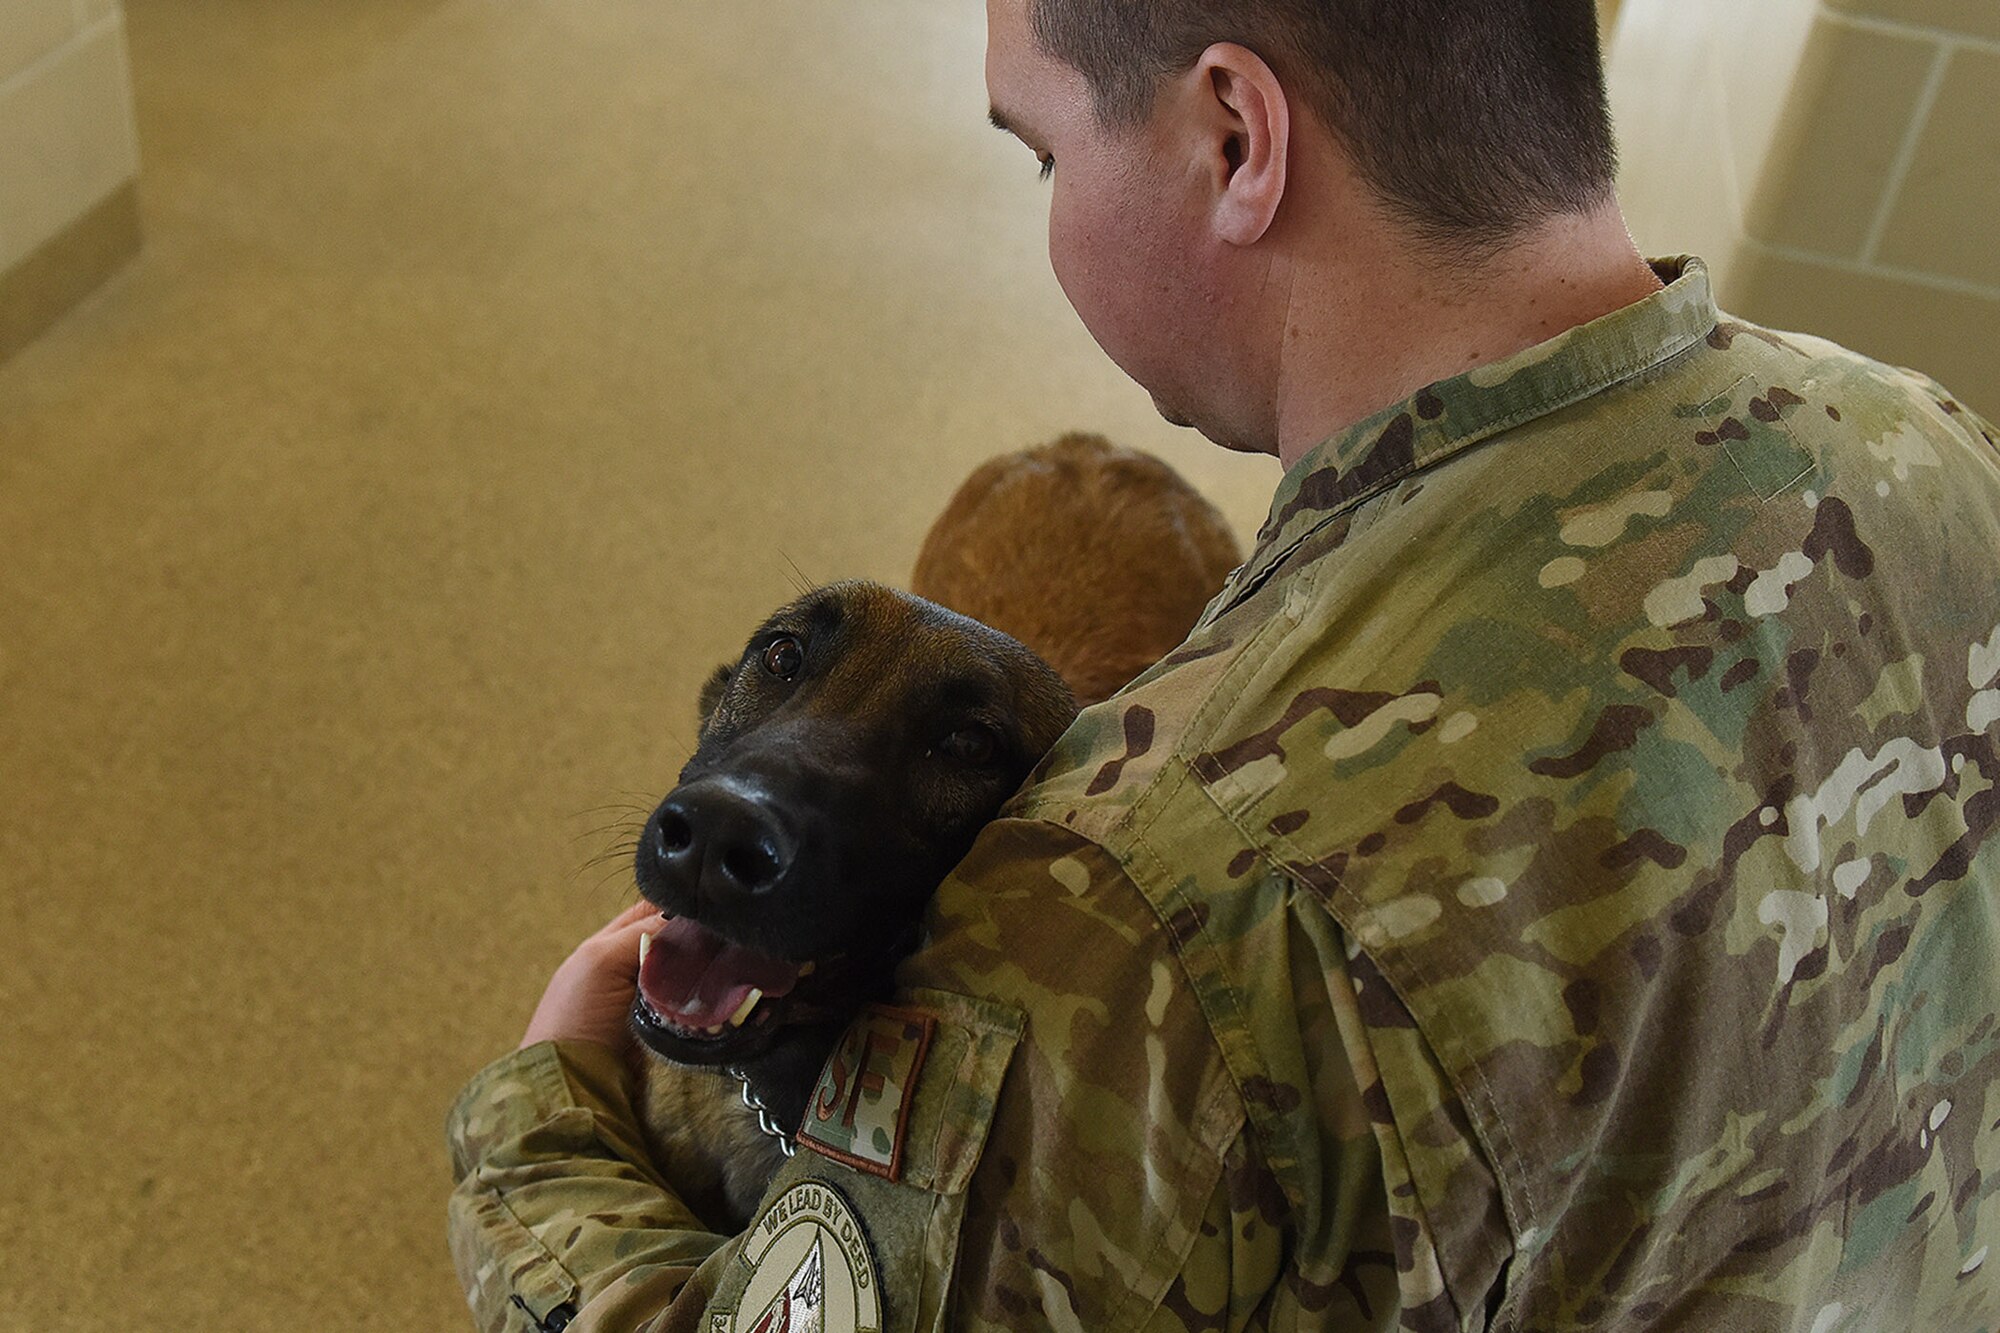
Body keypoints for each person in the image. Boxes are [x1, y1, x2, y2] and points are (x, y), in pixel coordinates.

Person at [447, 0, 2000, 1328]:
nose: (1049, 202)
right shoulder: (1932, 454)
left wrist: (546, 1107)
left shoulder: (1144, 896)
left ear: (1237, 139)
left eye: (1046, 153)